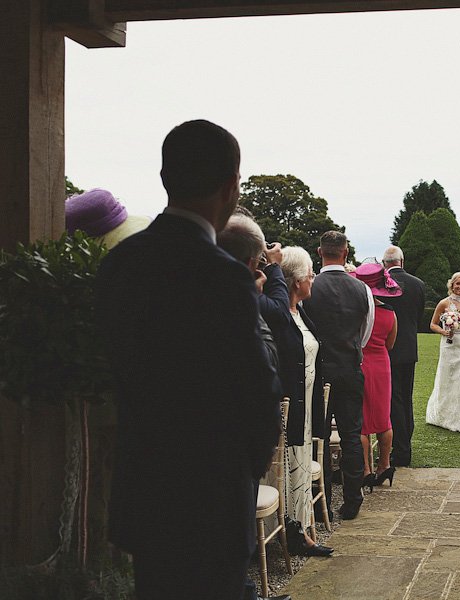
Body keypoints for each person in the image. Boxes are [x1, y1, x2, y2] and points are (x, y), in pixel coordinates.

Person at [97, 120, 284, 600]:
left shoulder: (121, 263)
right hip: (211, 494)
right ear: (230, 188)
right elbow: (258, 390)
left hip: (145, 485)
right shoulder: (224, 277)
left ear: (165, 179)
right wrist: (246, 469)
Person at [217, 216, 333, 562]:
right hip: (284, 404)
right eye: (310, 275)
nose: (313, 280)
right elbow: (278, 318)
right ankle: (288, 535)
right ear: (296, 280)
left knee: (299, 467)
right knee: (284, 470)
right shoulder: (274, 307)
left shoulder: (302, 312)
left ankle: (301, 530)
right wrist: (275, 270)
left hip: (305, 403)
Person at [302, 230, 374, 520]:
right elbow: (365, 334)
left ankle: (322, 502)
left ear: (320, 253)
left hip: (318, 371)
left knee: (316, 435)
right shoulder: (363, 290)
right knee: (351, 434)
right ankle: (353, 499)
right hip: (349, 368)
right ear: (345, 253)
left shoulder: (310, 287)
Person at [350, 263, 400, 487]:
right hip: (382, 365)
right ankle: (385, 465)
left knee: (361, 421)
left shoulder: (356, 312)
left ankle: (366, 470)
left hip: (360, 363)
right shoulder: (390, 312)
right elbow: (390, 344)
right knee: (383, 418)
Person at [381, 245, 426, 467]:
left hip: (387, 347)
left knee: (393, 400)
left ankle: (401, 451)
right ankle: (406, 444)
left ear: (384, 263)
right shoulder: (418, 284)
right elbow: (418, 316)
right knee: (405, 398)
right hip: (409, 347)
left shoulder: (381, 284)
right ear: (402, 261)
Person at [425, 272, 460, 432]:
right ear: (452, 285)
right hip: (449, 345)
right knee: (448, 380)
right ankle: (446, 417)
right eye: (458, 284)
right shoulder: (443, 303)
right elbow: (433, 324)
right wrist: (444, 332)